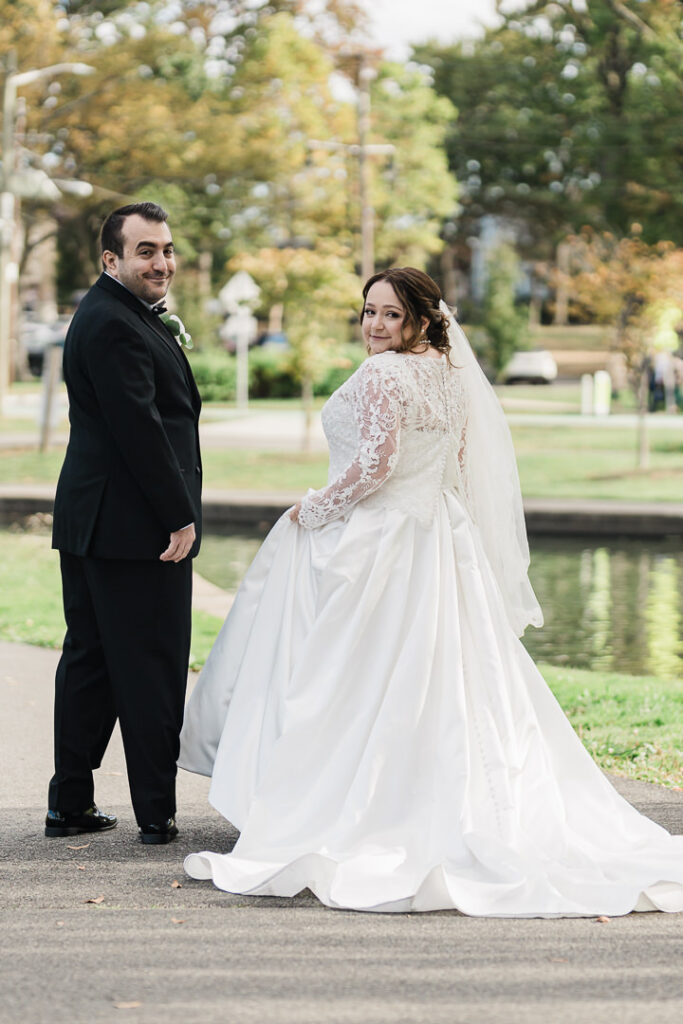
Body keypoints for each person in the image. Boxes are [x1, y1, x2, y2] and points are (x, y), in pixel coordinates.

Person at [179, 268, 683, 915]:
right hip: (441, 537)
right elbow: (464, 465)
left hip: (383, 542)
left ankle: (364, 804)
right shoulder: (450, 373)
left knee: (360, 678)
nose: (374, 325)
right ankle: (441, 795)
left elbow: (375, 465)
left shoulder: (385, 374)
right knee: (448, 678)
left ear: (419, 317)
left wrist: (313, 509)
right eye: (367, 312)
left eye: (389, 314)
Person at [47, 202, 202, 845]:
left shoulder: (112, 312)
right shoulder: (114, 322)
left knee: (93, 661)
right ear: (112, 260)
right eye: (145, 251)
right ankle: (156, 812)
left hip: (96, 520)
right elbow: (138, 429)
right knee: (151, 664)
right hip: (134, 528)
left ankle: (71, 804)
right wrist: (178, 516)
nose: (161, 261)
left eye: (166, 249)